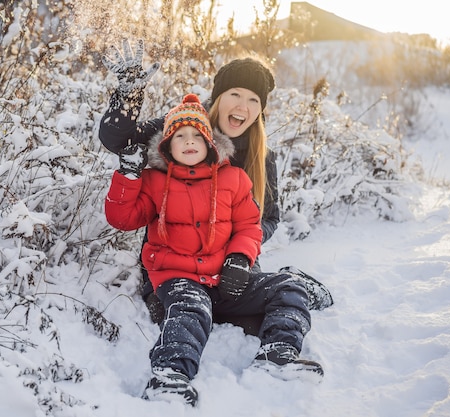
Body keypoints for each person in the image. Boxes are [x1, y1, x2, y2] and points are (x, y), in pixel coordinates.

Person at [99, 40, 333, 332]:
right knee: (174, 315)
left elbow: (268, 218)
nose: (242, 106)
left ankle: (294, 282)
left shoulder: (262, 156)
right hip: (174, 267)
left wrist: (238, 255)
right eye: (235, 94)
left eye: (253, 101)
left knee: (254, 321)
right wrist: (128, 99)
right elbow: (120, 141)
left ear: (260, 109)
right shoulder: (186, 128)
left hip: (230, 267)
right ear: (218, 97)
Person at [105, 94, 323, 407]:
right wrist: (127, 177)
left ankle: (278, 353)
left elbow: (250, 226)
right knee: (191, 308)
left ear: (210, 142)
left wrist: (239, 258)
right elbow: (122, 218)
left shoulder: (234, 179)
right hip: (177, 277)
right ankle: (168, 375)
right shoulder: (154, 181)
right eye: (180, 136)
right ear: (167, 145)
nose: (189, 141)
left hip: (224, 277)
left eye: (197, 135)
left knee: (290, 287)